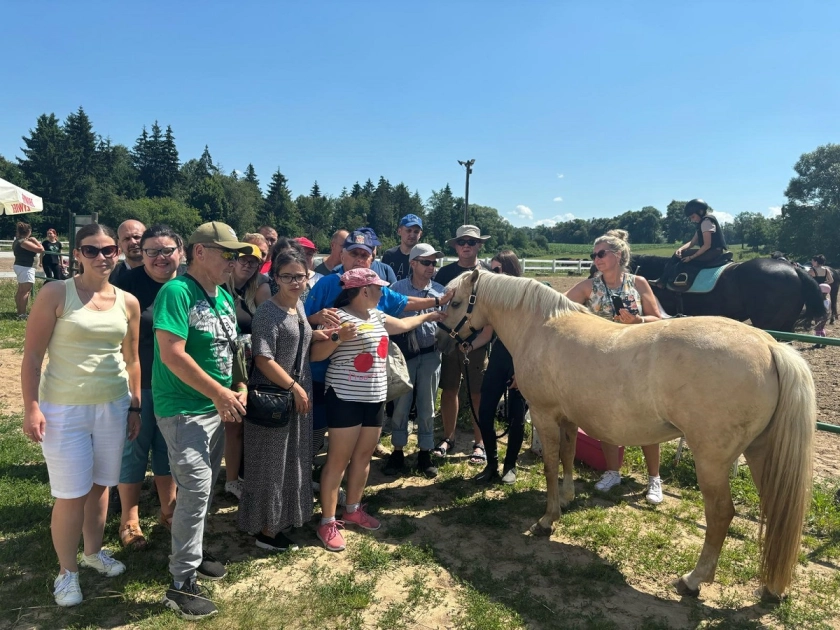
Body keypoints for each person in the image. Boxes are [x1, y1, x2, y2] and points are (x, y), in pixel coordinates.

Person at [21, 223, 142, 607]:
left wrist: (135, 405)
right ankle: (66, 572)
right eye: (91, 250)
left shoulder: (128, 301)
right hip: (64, 409)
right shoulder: (57, 292)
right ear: (77, 254)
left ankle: (92, 554)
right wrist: (31, 407)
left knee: (101, 486)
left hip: (113, 406)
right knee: (71, 493)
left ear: (117, 252)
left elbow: (133, 360)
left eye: (108, 250)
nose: (101, 257)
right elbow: (32, 357)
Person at [153, 221, 252, 620]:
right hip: (183, 410)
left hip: (215, 407)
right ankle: (179, 584)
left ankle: (191, 556)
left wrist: (240, 384)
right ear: (199, 252)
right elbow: (172, 354)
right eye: (226, 253)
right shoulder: (176, 292)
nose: (234, 261)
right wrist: (219, 392)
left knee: (206, 488)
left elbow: (232, 349)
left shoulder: (223, 296)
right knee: (195, 489)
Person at [315, 268, 445, 552]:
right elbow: (315, 354)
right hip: (345, 397)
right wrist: (338, 337)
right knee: (338, 460)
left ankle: (352, 509)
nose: (382, 293)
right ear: (364, 290)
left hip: (374, 398)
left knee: (363, 457)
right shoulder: (338, 316)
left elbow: (402, 324)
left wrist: (430, 315)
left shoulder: (376, 316)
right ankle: (327, 521)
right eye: (378, 288)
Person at [305, 231, 452, 457]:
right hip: (322, 371)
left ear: (372, 260)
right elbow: (301, 320)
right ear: (342, 255)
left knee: (359, 431)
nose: (359, 259)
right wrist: (316, 319)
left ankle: (354, 459)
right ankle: (309, 468)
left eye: (365, 255)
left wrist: (436, 302)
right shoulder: (326, 284)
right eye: (354, 253)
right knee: (318, 424)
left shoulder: (375, 288)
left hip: (364, 380)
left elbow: (404, 303)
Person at [237, 250, 344, 551]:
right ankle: (265, 531)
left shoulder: (297, 306)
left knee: (292, 460)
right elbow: (263, 358)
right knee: (271, 463)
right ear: (275, 278)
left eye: (300, 276)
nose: (295, 282)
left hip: (295, 392)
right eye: (287, 276)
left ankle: (280, 520)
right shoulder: (267, 312)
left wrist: (329, 335)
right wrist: (295, 387)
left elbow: (302, 338)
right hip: (276, 395)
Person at [565, 230, 664, 504]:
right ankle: (612, 471)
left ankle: (654, 478)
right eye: (593, 255)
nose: (596, 259)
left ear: (618, 255)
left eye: (601, 254)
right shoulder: (589, 286)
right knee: (604, 416)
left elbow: (658, 319)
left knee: (646, 416)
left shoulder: (639, 283)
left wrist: (637, 322)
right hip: (601, 362)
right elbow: (557, 305)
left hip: (637, 360)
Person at [113, 225, 183, 550]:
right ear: (142, 254)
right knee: (135, 449)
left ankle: (168, 512)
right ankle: (129, 519)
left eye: (167, 250)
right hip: (140, 383)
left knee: (169, 450)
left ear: (180, 253)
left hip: (180, 386)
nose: (160, 258)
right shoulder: (125, 285)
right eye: (152, 251)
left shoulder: (188, 287)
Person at [383, 243, 446, 478]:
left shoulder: (440, 291)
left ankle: (424, 452)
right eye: (427, 262)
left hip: (430, 353)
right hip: (404, 354)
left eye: (433, 263)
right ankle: (397, 450)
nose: (431, 267)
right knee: (401, 403)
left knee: (427, 404)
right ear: (413, 263)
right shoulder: (396, 289)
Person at [432, 225, 493, 465]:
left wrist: (477, 341)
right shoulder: (444, 274)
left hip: (476, 341)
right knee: (449, 390)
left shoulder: (488, 275)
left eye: (471, 241)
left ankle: (479, 443)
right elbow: (437, 307)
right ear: (455, 246)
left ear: (479, 245)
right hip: (449, 339)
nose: (466, 245)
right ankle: (449, 437)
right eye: (461, 242)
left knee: (477, 393)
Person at [474, 251, 529, 485]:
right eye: (492, 270)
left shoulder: (527, 298)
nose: (494, 275)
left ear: (510, 269)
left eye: (497, 270)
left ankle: (510, 466)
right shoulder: (496, 300)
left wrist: (522, 371)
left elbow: (531, 338)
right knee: (485, 412)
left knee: (517, 417)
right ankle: (492, 464)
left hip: (521, 359)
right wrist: (468, 346)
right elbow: (487, 333)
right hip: (499, 357)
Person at [223, 238, 270, 500]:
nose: (249, 265)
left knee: (242, 422)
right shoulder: (219, 288)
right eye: (244, 259)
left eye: (254, 262)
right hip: (225, 364)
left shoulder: (254, 291)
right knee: (232, 425)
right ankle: (230, 478)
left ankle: (236, 476)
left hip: (248, 364)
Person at [675, 199, 728, 266]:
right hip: (713, 252)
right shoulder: (703, 223)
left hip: (712, 253)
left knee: (683, 255)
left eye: (693, 217)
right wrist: (681, 249)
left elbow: (707, 245)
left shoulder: (706, 222)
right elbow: (692, 242)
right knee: (682, 252)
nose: (692, 220)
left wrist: (691, 257)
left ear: (700, 212)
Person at [12, 221, 44, 319]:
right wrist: (35, 240)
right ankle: (22, 314)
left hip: (22, 266)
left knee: (21, 290)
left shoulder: (18, 241)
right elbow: (40, 249)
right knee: (25, 291)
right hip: (25, 267)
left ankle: (19, 311)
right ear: (28, 231)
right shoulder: (23, 242)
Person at [381, 214, 423, 281]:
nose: (412, 235)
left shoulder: (423, 258)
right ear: (399, 231)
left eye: (416, 232)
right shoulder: (389, 255)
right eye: (408, 231)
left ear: (420, 234)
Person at [814, 283, 831, 348]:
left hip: (818, 316)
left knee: (817, 329)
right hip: (825, 317)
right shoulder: (828, 300)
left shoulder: (818, 301)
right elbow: (829, 309)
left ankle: (818, 343)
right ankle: (824, 342)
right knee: (821, 329)